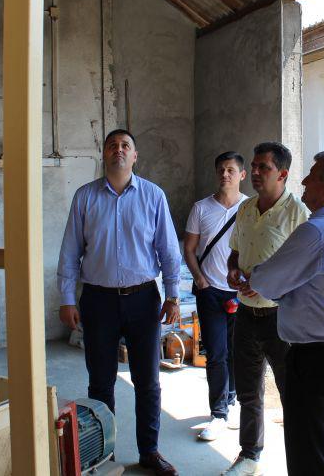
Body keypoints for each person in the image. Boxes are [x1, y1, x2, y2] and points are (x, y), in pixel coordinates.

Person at [56, 128, 182, 476]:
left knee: (148, 381)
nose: (119, 150)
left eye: (126, 145)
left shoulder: (153, 196)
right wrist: (67, 299)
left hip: (143, 299)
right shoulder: (85, 197)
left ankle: (149, 451)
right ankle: (102, 453)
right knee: (100, 382)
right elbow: (70, 252)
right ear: (105, 154)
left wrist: (173, 294)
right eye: (112, 145)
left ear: (135, 156)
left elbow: (168, 250)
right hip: (98, 301)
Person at [241, 151, 324, 476]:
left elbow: (265, 281)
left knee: (308, 454)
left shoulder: (318, 230)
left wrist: (278, 285)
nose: (305, 181)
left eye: (312, 175)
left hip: (316, 357)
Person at [223, 142, 310, 476]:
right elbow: (235, 252)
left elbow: (305, 269)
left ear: (283, 174)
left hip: (281, 318)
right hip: (246, 314)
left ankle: (299, 463)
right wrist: (233, 270)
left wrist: (268, 285)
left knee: (292, 394)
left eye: (264, 168)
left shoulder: (298, 214)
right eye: (255, 166)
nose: (255, 173)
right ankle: (249, 456)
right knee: (248, 391)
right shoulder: (245, 208)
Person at [184, 151, 248, 441]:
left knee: (237, 351)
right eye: (221, 169)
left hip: (241, 292)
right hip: (209, 291)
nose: (225, 174)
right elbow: (189, 248)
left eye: (231, 170)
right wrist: (200, 279)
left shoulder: (251, 207)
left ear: (242, 175)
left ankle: (232, 400)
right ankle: (219, 413)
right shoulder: (201, 208)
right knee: (216, 353)